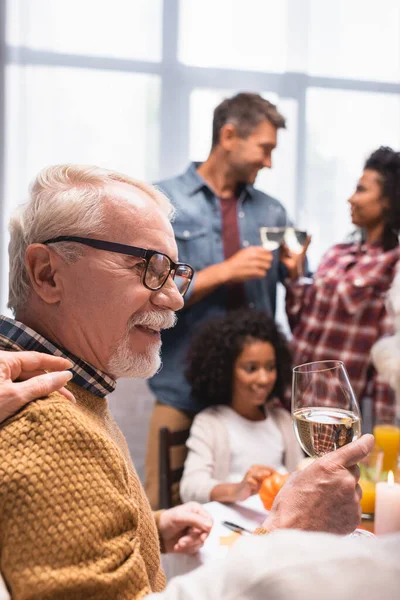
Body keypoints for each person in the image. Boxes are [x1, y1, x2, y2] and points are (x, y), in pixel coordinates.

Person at [0, 164, 372, 599]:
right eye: (149, 267)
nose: (175, 297)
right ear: (47, 273)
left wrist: (149, 530)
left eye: (174, 272)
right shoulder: (49, 425)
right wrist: (288, 533)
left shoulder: (68, 389)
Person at [146, 92, 294, 508]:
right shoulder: (163, 204)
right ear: (229, 136)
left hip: (252, 398)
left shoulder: (274, 213)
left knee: (259, 506)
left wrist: (297, 272)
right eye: (265, 149)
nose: (269, 162)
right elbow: (149, 293)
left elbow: (293, 293)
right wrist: (222, 272)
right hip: (181, 387)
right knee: (164, 510)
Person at [282, 147, 400, 424]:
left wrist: (384, 434)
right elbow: (299, 320)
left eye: (361, 190)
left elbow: (389, 354)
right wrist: (296, 276)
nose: (351, 198)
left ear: (388, 201)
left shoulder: (393, 264)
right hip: (288, 394)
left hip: (334, 412)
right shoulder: (337, 252)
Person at [180, 310, 303, 504]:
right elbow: (190, 488)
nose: (264, 379)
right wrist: (238, 490)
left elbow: (300, 474)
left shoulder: (282, 419)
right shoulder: (210, 423)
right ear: (226, 370)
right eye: (251, 369)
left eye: (270, 367)